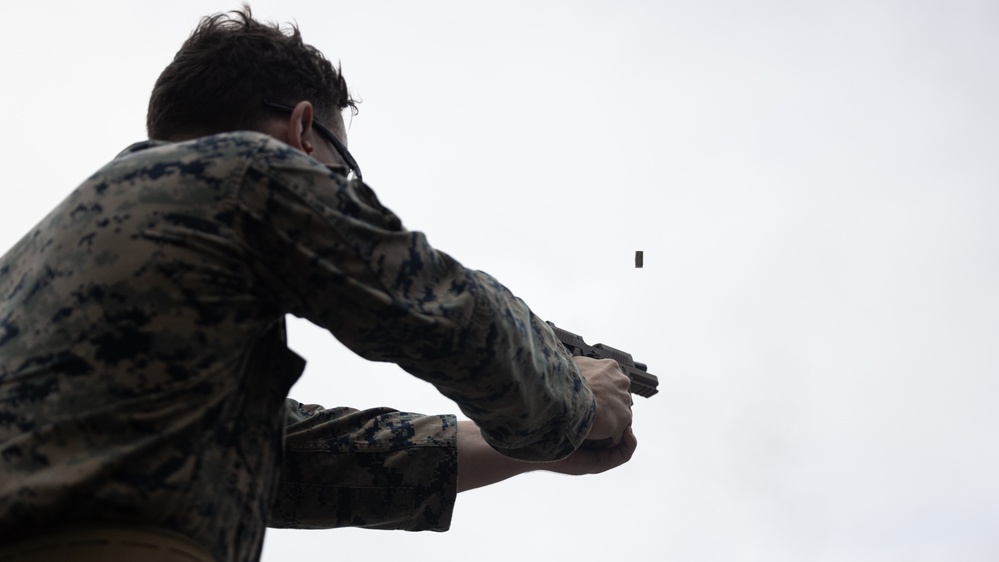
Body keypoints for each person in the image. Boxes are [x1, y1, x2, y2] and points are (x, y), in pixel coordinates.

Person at [0, 7, 636, 562]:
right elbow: (446, 313)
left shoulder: (36, 265)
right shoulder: (244, 173)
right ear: (302, 129)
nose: (342, 191)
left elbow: (289, 460)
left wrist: (523, 451)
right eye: (344, 170)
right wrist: (574, 400)